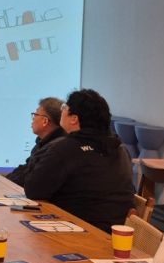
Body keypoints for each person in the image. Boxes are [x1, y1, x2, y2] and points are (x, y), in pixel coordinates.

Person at [22, 89, 134, 232]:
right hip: (118, 233)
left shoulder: (65, 149)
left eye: (64, 108)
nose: (61, 111)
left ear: (74, 119)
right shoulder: (120, 149)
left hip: (79, 231)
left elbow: (33, 190)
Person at [5, 97, 65, 187]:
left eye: (35, 114)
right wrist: (6, 180)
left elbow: (33, 178)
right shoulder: (42, 142)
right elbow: (27, 168)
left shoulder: (56, 148)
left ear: (45, 121)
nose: (33, 119)